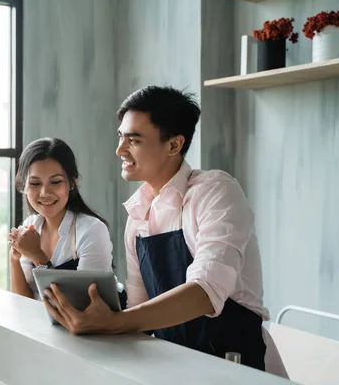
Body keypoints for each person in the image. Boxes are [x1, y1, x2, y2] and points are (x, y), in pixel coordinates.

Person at [42, 86, 288, 377]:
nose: (120, 149)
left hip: (233, 365)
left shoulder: (216, 191)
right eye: (121, 136)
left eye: (133, 139)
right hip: (171, 367)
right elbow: (139, 313)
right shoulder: (137, 217)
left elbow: (206, 292)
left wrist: (113, 322)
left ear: (174, 145)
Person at [8, 137, 121, 303]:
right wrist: (14, 258)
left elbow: (84, 306)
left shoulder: (92, 230)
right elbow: (23, 303)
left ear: (71, 183)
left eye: (55, 182)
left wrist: (38, 256)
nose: (45, 192)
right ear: (23, 187)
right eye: (35, 183)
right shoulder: (29, 226)